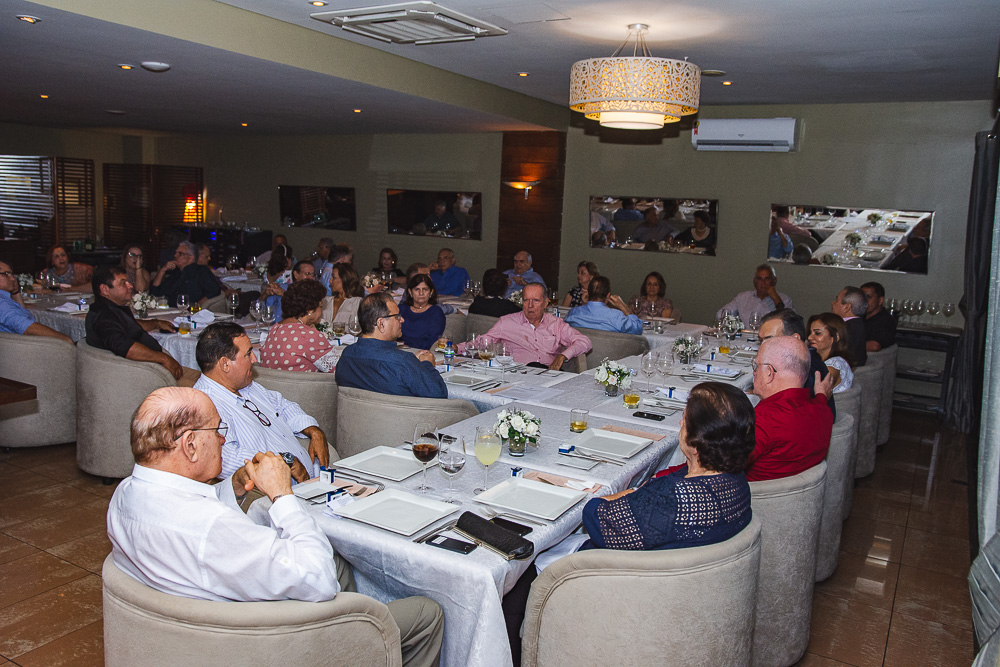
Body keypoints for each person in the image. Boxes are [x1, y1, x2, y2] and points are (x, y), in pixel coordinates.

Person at [107, 387, 444, 667]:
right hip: (267, 642)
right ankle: (355, 639)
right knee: (427, 613)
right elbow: (319, 579)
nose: (223, 440)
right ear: (191, 444)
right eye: (218, 431)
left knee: (336, 558)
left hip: (194, 625)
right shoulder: (213, 528)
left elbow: (194, 514)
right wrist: (283, 495)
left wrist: (233, 487)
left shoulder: (125, 495)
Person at [193, 322, 330, 482]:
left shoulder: (247, 386)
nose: (254, 359)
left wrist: (313, 431)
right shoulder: (204, 405)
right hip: (276, 492)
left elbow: (284, 406)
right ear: (225, 364)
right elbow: (224, 458)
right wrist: (284, 461)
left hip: (312, 483)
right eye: (248, 354)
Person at [747, 336, 834, 482]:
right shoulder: (823, 411)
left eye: (756, 366)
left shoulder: (764, 420)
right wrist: (821, 395)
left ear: (769, 372)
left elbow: (723, 464)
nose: (754, 373)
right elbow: (820, 403)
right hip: (801, 494)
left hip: (756, 494)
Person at [335, 293, 447, 399]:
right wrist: (427, 364)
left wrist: (415, 364)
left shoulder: (347, 356)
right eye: (397, 316)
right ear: (381, 324)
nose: (402, 320)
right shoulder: (401, 362)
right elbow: (439, 394)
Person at [459, 283, 591, 370]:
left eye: (536, 301)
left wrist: (562, 356)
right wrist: (456, 348)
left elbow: (585, 342)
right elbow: (483, 341)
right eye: (526, 300)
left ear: (545, 303)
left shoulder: (555, 324)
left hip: (549, 375)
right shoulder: (507, 322)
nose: (530, 306)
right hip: (520, 374)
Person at [86, 265, 183, 381]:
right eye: (123, 283)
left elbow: (128, 324)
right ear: (105, 289)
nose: (130, 286)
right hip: (141, 375)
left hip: (147, 369)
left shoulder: (108, 309)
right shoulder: (104, 315)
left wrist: (156, 323)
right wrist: (164, 358)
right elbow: (124, 346)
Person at [758, 308, 835, 416]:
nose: (762, 346)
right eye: (760, 340)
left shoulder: (803, 368)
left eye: (768, 339)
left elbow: (797, 415)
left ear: (794, 338)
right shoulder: (801, 359)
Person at [258, 280, 337, 373]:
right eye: (320, 306)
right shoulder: (308, 335)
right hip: (302, 382)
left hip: (272, 382)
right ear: (310, 310)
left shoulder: (275, 328)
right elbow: (337, 370)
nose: (321, 311)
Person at [0, 258, 72, 342]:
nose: (13, 279)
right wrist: (67, 340)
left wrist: (15, 292)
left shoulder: (4, 299)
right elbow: (28, 329)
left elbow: (23, 314)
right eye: (6, 274)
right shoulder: (2, 304)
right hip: (24, 346)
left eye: (11, 274)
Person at [151, 241, 221, 307]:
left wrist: (199, 303)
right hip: (169, 310)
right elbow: (155, 292)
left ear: (191, 257)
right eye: (176, 253)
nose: (175, 255)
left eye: (180, 253)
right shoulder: (176, 273)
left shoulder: (200, 270)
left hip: (189, 311)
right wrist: (162, 270)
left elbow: (215, 289)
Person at [565, 276, 643, 334]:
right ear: (608, 296)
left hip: (582, 351)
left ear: (588, 293)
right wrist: (624, 307)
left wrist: (584, 304)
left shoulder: (573, 313)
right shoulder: (616, 317)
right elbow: (637, 329)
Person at [717, 264, 791, 323]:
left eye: (767, 279)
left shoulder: (785, 299)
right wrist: (733, 324)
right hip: (745, 336)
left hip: (771, 337)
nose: (763, 282)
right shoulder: (743, 298)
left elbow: (787, 322)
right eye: (759, 279)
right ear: (755, 282)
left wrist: (776, 298)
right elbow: (720, 314)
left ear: (774, 280)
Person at [807, 313, 855, 393]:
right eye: (810, 333)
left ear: (836, 336)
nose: (809, 337)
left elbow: (813, 391)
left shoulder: (835, 365)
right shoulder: (821, 361)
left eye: (817, 333)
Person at [399, 274, 446, 350]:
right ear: (410, 292)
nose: (421, 293)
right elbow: (392, 334)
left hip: (422, 352)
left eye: (425, 289)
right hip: (398, 349)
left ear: (431, 292)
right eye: (417, 289)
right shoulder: (401, 309)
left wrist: (407, 346)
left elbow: (432, 340)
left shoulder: (436, 312)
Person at [831, 286, 868, 366]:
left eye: (836, 300)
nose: (833, 303)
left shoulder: (845, 329)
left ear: (846, 307)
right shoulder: (859, 324)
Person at [861, 281, 896, 352]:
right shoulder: (860, 316)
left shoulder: (884, 320)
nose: (863, 300)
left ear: (880, 300)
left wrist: (845, 345)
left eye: (868, 297)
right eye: (861, 297)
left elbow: (874, 346)